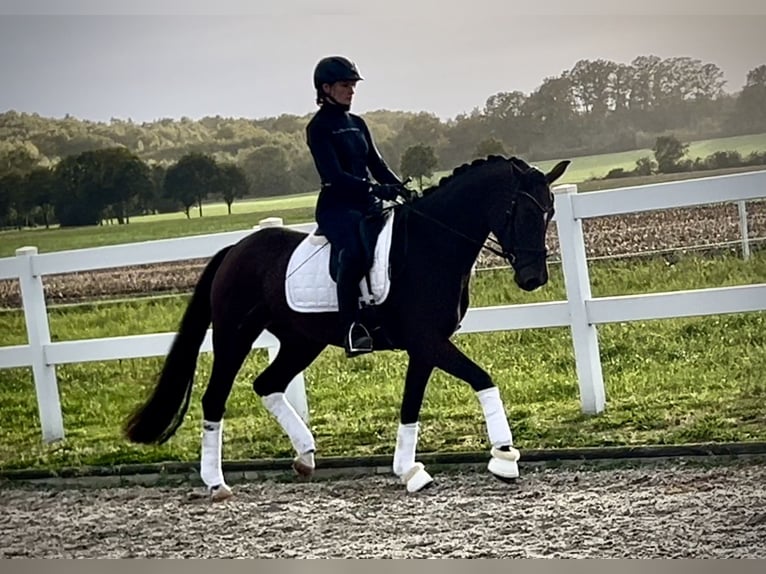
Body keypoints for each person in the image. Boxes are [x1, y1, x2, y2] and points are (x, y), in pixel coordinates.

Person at [306, 55, 405, 358]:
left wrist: (401, 189)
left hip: (367, 203)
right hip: (337, 207)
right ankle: (352, 330)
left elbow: (377, 164)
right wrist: (375, 188)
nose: (351, 91)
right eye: (345, 86)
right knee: (354, 253)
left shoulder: (357, 123)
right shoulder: (318, 128)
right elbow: (334, 175)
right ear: (326, 88)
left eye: (352, 86)